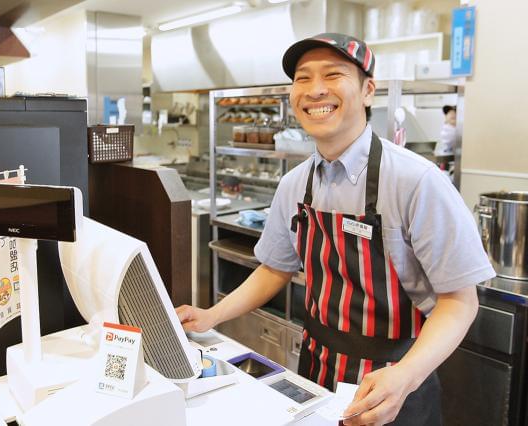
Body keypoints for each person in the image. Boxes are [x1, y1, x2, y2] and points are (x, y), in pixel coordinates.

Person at [176, 33, 495, 425]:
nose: (315, 90)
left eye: (333, 74)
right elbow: (275, 268)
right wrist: (211, 315)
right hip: (316, 373)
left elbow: (460, 301)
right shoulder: (295, 183)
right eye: (303, 78)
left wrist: (405, 376)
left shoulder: (417, 181)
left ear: (367, 91)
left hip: (395, 382)